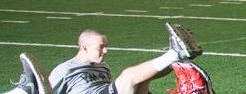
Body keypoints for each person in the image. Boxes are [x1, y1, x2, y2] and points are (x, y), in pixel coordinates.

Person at [49, 25, 206, 94]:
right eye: (101, 47)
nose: (106, 51)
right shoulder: (65, 70)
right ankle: (174, 54)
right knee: (129, 75)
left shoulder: (102, 66)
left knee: (142, 78)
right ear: (84, 47)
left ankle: (176, 60)